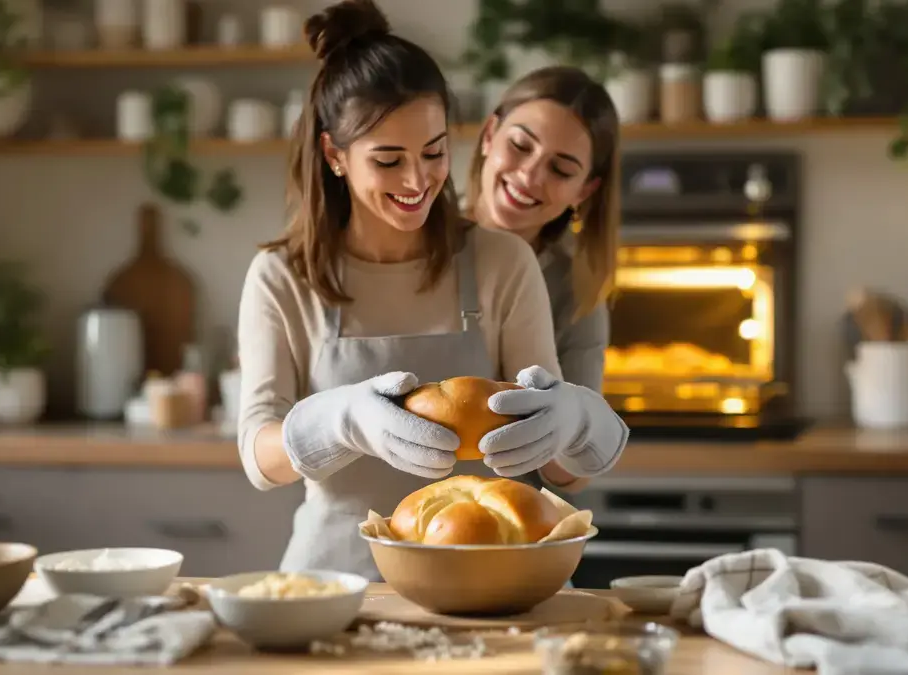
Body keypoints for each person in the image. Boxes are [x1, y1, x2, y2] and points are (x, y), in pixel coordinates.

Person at [236, 0, 629, 579]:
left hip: (499, 583)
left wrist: (574, 420)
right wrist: (339, 420)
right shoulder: (280, 277)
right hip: (339, 586)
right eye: (388, 160)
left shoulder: (503, 261)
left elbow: (561, 465)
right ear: (334, 155)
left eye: (435, 152)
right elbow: (258, 460)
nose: (417, 181)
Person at [465, 66, 622, 491]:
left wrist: (569, 426)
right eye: (519, 145)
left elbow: (571, 474)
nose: (530, 176)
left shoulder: (578, 287)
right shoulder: (408, 240)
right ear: (489, 135)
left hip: (505, 519)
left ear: (585, 191)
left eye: (562, 169)